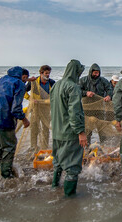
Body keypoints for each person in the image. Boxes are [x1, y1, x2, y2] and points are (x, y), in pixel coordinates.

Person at [0, 66, 30, 178]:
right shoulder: (19, 84)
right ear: (22, 76)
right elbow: (15, 108)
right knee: (9, 146)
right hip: (4, 120)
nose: (25, 81)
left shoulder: (3, 79)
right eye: (25, 78)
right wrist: (24, 119)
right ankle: (6, 175)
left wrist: (28, 80)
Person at [50, 59, 87, 197]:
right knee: (72, 168)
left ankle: (54, 187)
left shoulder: (56, 85)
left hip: (56, 132)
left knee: (58, 162)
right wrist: (81, 132)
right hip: (69, 134)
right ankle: (69, 199)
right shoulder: (73, 87)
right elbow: (74, 111)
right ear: (76, 72)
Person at [79, 63, 114, 144]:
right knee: (87, 130)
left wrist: (109, 96)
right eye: (95, 73)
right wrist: (85, 93)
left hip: (99, 109)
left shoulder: (103, 80)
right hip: (87, 110)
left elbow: (109, 88)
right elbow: (77, 91)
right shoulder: (83, 80)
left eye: (98, 73)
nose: (96, 74)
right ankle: (87, 147)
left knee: (102, 129)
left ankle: (103, 146)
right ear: (91, 72)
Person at [25, 65, 55, 150]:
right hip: (35, 108)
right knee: (34, 128)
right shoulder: (33, 82)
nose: (48, 75)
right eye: (46, 73)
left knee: (46, 128)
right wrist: (30, 99)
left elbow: (56, 94)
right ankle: (33, 146)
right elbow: (23, 91)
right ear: (41, 73)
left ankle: (45, 147)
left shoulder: (52, 82)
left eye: (49, 73)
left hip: (46, 108)